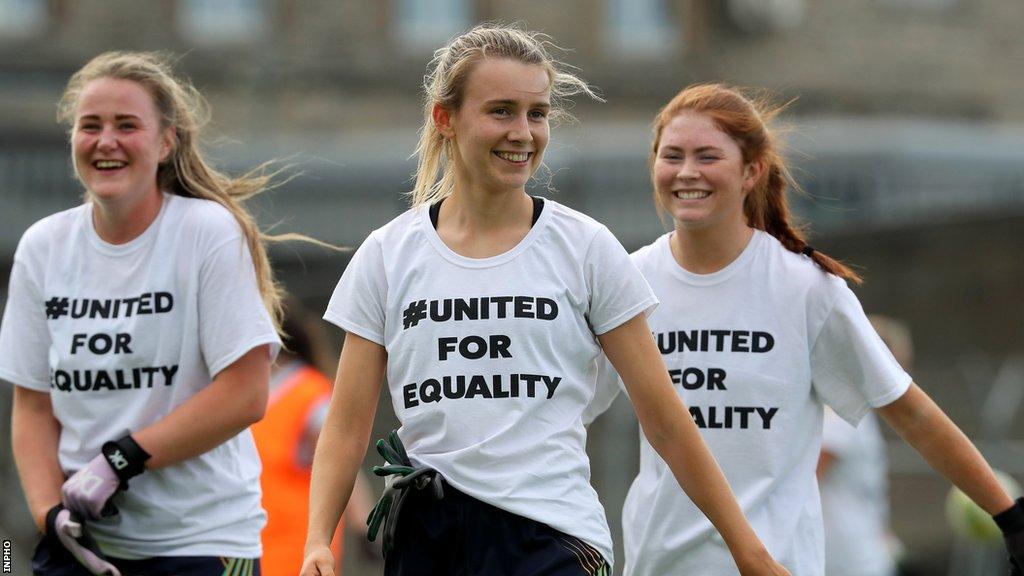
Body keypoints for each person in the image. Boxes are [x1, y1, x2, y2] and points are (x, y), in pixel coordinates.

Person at [301, 24, 789, 576]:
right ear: (445, 118)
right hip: (429, 541)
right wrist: (318, 538)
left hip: (553, 542)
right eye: (502, 111)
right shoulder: (388, 254)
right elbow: (346, 424)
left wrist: (748, 551)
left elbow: (666, 420)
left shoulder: (584, 247)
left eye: (538, 113)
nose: (524, 132)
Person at [584, 83, 1024, 576]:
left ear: (751, 171)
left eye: (708, 156)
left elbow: (910, 412)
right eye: (673, 156)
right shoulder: (626, 281)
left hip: (780, 566)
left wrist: (1010, 517)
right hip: (658, 567)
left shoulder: (806, 289)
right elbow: (563, 409)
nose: (687, 172)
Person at [0, 51, 290, 576]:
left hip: (198, 542)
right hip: (85, 548)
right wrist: (49, 516)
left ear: (164, 142)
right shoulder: (43, 246)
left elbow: (246, 395)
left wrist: (122, 458)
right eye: (90, 126)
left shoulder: (206, 231)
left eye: (126, 125)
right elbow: (32, 405)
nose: (105, 141)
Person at [251, 297, 377, 576]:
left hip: (294, 551)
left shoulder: (308, 392)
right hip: (250, 546)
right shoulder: (242, 395)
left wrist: (362, 525)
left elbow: (342, 460)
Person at [818, 315, 912, 576]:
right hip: (843, 561)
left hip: (865, 556)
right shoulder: (842, 411)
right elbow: (808, 479)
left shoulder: (858, 410)